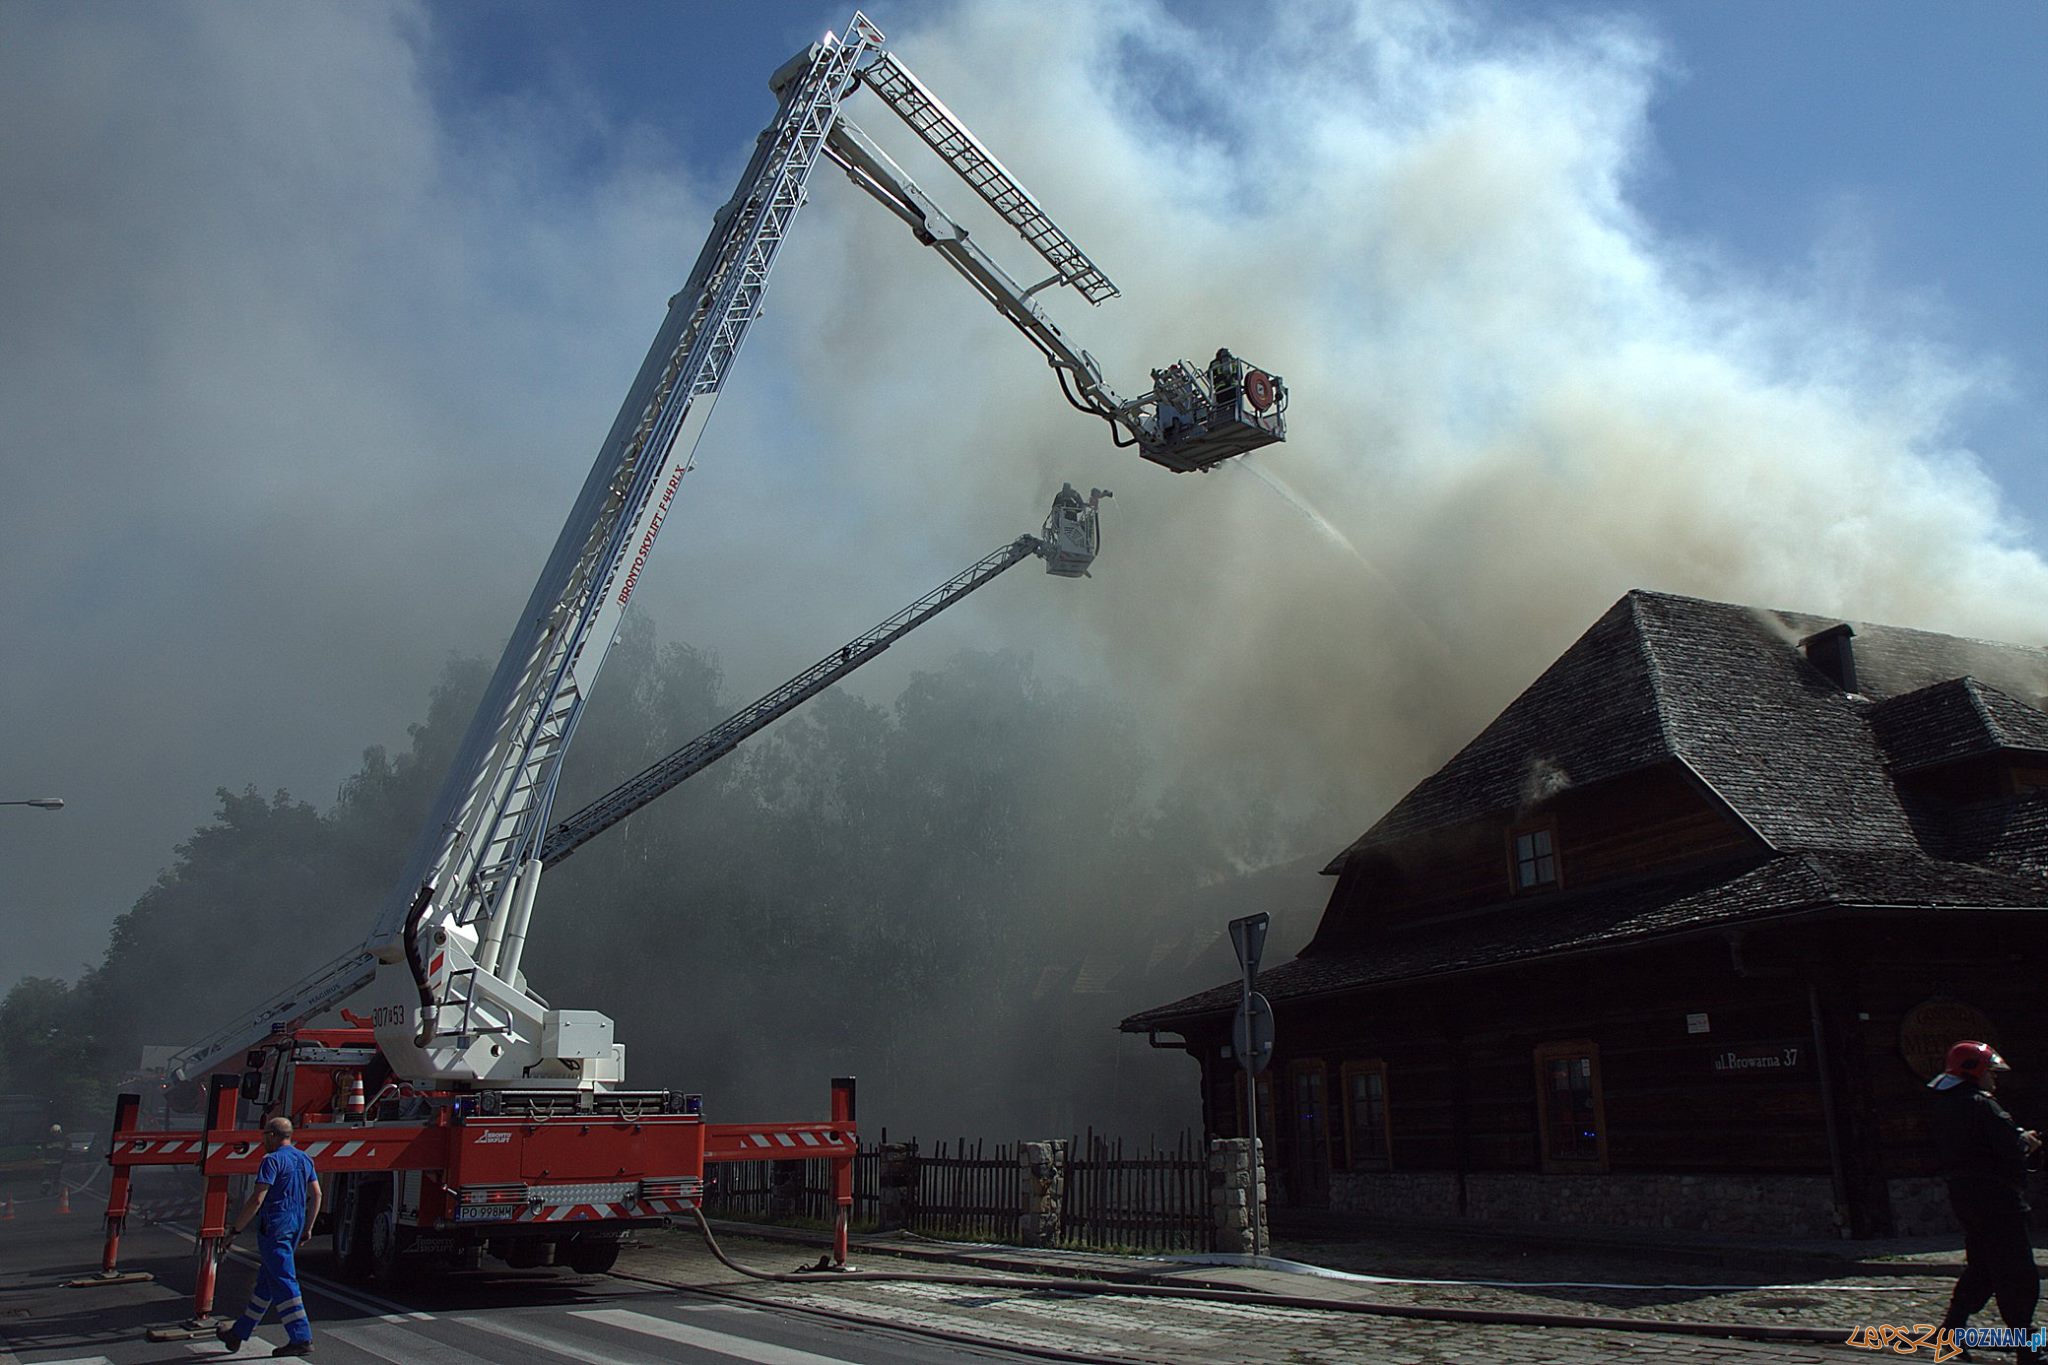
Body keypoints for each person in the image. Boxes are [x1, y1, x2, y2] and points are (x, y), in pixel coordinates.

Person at [1930, 1041, 2041, 1364]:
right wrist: (2027, 1143)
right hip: (1997, 1198)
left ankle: (1950, 1332)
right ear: (1975, 1071)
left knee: (1983, 1267)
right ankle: (2028, 1347)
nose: (1994, 1079)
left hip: (1967, 1197)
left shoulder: (1945, 1104)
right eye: (1990, 1072)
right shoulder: (1981, 1105)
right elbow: (2008, 1148)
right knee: (2016, 1272)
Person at [216, 1116, 320, 1357]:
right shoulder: (304, 1158)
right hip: (294, 1227)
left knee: (284, 1281)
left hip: (275, 1228)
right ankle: (238, 1333)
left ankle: (301, 1337)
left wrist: (235, 1230)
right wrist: (308, 1227)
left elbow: (257, 1198)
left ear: (272, 1135)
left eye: (264, 1135)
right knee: (266, 1284)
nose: (262, 1140)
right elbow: (317, 1195)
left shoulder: (271, 1161)